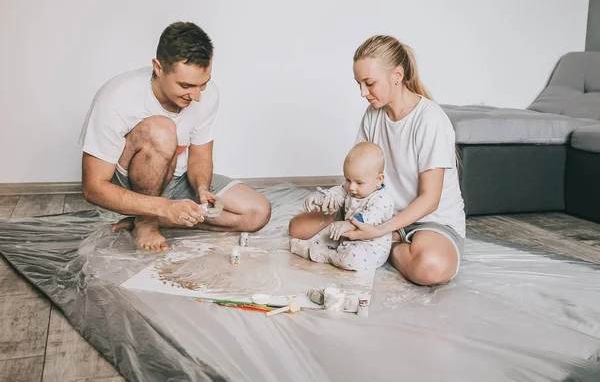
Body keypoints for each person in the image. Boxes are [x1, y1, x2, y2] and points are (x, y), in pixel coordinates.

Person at [289, 35, 465, 286]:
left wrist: (381, 231)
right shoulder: (373, 115)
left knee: (430, 269)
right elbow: (361, 171)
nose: (363, 92)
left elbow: (430, 199)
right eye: (359, 83)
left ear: (397, 75)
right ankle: (380, 240)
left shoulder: (430, 120)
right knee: (298, 228)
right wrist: (335, 197)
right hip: (373, 208)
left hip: (428, 220)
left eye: (369, 83)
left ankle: (390, 244)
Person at [79, 21, 271, 251]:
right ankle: (146, 221)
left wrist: (202, 189)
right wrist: (162, 205)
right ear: (158, 68)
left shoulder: (204, 94)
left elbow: (200, 156)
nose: (197, 96)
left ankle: (152, 218)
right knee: (162, 130)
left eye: (203, 84)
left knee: (257, 213)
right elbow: (93, 187)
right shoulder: (116, 97)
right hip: (129, 185)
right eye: (186, 85)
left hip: (175, 179)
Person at [290, 142, 395, 271]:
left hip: (370, 247)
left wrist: (348, 224)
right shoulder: (351, 189)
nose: (351, 187)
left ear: (378, 180)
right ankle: (309, 247)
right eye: (348, 180)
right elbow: (337, 193)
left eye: (358, 182)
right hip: (346, 236)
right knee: (327, 233)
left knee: (351, 259)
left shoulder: (383, 199)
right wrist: (321, 197)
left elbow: (369, 217)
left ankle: (326, 255)